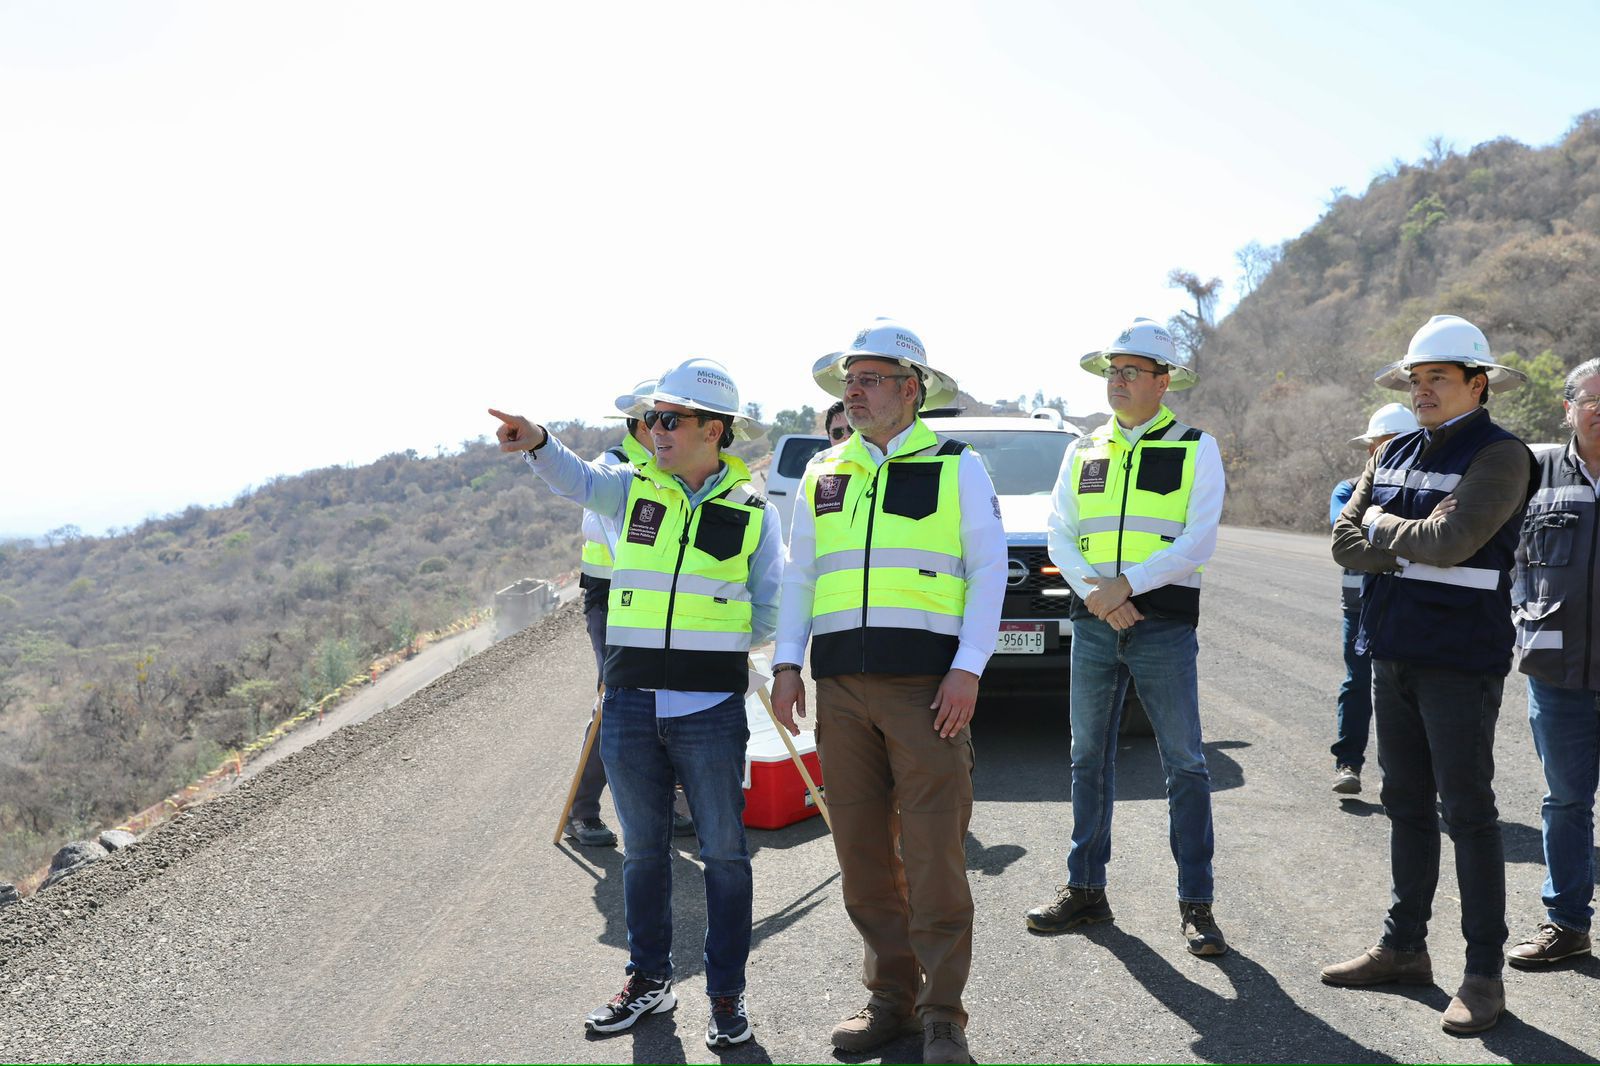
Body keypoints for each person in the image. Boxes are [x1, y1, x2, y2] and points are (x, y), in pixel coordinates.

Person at [489, 357, 782, 1049]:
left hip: (709, 711)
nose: (655, 429)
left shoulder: (754, 512)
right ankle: (648, 981)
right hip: (628, 705)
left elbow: (770, 606)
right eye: (651, 418)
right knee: (644, 853)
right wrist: (538, 442)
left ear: (714, 430)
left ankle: (725, 995)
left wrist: (709, 645)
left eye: (670, 418)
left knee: (726, 856)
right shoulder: (629, 488)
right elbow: (576, 478)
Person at [772, 317, 1005, 1065]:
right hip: (840, 690)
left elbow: (989, 571)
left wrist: (968, 668)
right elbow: (800, 575)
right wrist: (786, 664)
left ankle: (943, 1015)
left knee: (935, 858)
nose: (854, 392)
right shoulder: (823, 470)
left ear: (912, 389)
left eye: (869, 379)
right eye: (850, 381)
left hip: (927, 691)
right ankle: (890, 1000)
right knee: (864, 857)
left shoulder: (957, 466)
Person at [1322, 314, 1534, 1035]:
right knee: (1405, 804)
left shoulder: (1502, 455)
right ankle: (1404, 948)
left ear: (1479, 383)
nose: (1422, 390)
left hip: (1460, 660)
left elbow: (1454, 539)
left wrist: (1384, 526)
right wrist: (1404, 535)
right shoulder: (1394, 449)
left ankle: (1483, 975)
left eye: (1438, 377)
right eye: (1415, 379)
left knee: (1468, 814)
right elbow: (1342, 542)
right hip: (1393, 651)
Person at [1026, 317, 1229, 958]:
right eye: (1113, 371)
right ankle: (1086, 889)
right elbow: (1059, 532)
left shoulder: (1197, 447)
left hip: (1162, 626)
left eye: (1131, 371)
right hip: (1094, 623)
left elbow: (1197, 541)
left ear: (1163, 382)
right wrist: (1098, 596)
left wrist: (1126, 586)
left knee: (1185, 762)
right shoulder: (1083, 449)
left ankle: (1196, 904)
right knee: (1087, 758)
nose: (1117, 381)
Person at [1506, 357, 1600, 969]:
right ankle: (1567, 924)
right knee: (1565, 801)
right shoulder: (1533, 470)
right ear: (1568, 409)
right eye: (1593, 401)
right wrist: (1522, 617)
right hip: (1559, 674)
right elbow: (1509, 555)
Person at [565, 380, 655, 848]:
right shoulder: (613, 465)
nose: (669, 427)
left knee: (667, 695)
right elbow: (593, 521)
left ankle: (668, 802)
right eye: (662, 418)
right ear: (641, 423)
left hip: (656, 597)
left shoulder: (672, 465)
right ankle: (582, 811)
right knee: (615, 698)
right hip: (610, 597)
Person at [1328, 402, 1419, 796]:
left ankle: (1408, 776)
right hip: (1361, 607)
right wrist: (1405, 540)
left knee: (1413, 690)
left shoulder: (1426, 488)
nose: (1383, 451)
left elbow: (1439, 537)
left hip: (1412, 603)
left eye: (1396, 442)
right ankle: (1348, 763)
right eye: (1380, 444)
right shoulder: (1348, 489)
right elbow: (1344, 535)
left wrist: (1376, 529)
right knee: (1358, 683)